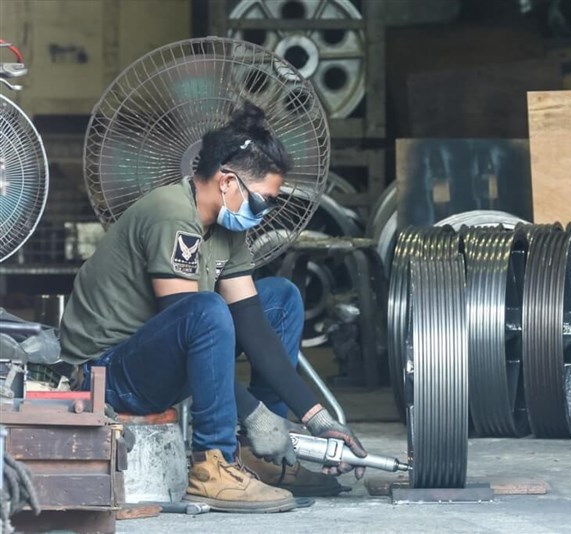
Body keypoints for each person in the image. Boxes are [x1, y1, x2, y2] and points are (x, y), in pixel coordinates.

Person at [59, 102, 368, 513]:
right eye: (262, 202)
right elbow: (192, 322)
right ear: (227, 182)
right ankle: (213, 465)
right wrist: (256, 415)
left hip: (158, 357)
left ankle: (259, 456)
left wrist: (317, 418)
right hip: (109, 373)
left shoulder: (224, 229)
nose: (264, 214)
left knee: (280, 299)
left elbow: (256, 329)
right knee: (206, 309)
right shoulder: (172, 214)